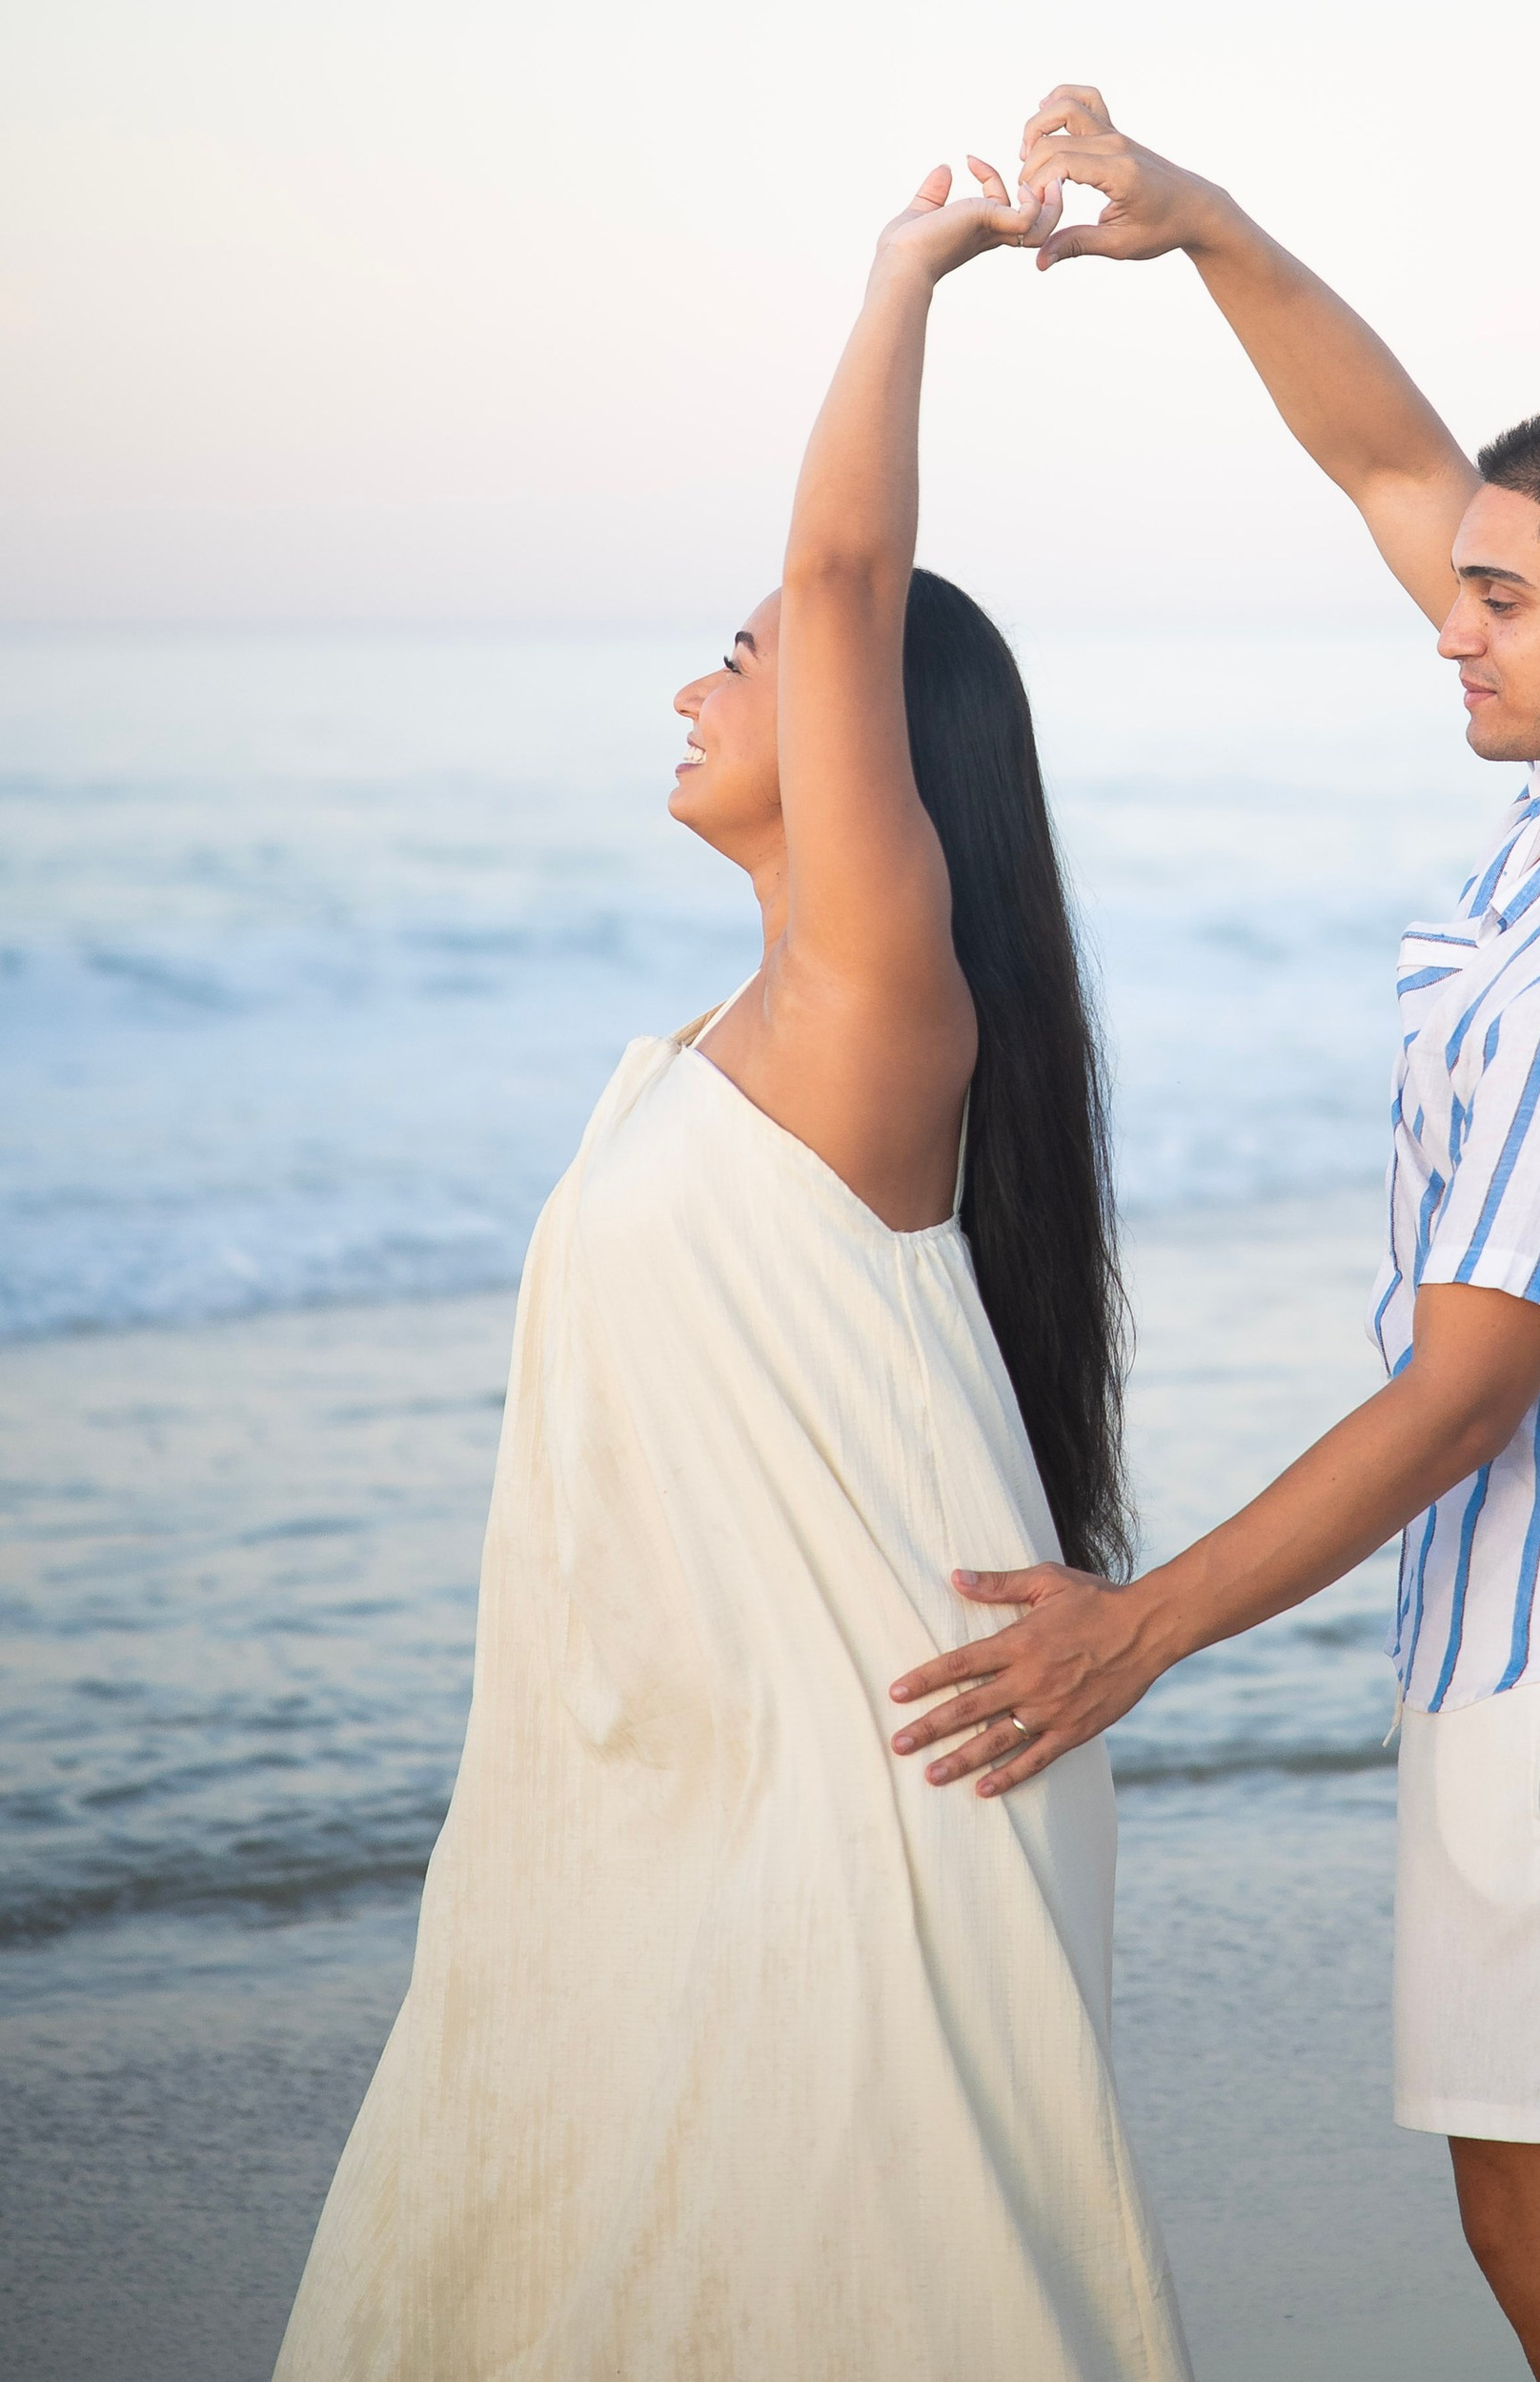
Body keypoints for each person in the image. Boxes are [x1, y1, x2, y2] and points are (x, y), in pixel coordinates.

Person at [891, 88, 1540, 2382]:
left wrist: (1140, 1632)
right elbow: (1391, 462)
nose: (1446, 627)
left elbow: (1463, 1393)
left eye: (1494, 603)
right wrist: (1208, 228)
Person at [275, 157, 1193, 2382]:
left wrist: (909, 273)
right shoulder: (718, 1048)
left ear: (877, 732)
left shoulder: (884, 1005)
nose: (696, 683)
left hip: (859, 1790)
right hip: (665, 1799)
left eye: (747, 653)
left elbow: (844, 561)